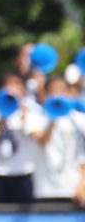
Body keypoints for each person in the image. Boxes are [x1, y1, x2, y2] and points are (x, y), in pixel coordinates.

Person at [0, 72, 45, 205]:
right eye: (7, 84)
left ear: (23, 88)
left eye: (16, 84)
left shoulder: (32, 110)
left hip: (24, 171)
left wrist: (24, 115)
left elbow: (37, 136)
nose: (12, 88)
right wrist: (2, 118)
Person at [34, 77, 85, 206]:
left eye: (61, 89)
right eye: (52, 90)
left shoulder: (80, 120)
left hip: (73, 188)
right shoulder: (37, 117)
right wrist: (53, 118)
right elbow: (42, 142)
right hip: (44, 188)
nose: (57, 93)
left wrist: (82, 184)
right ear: (45, 94)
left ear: (69, 93)